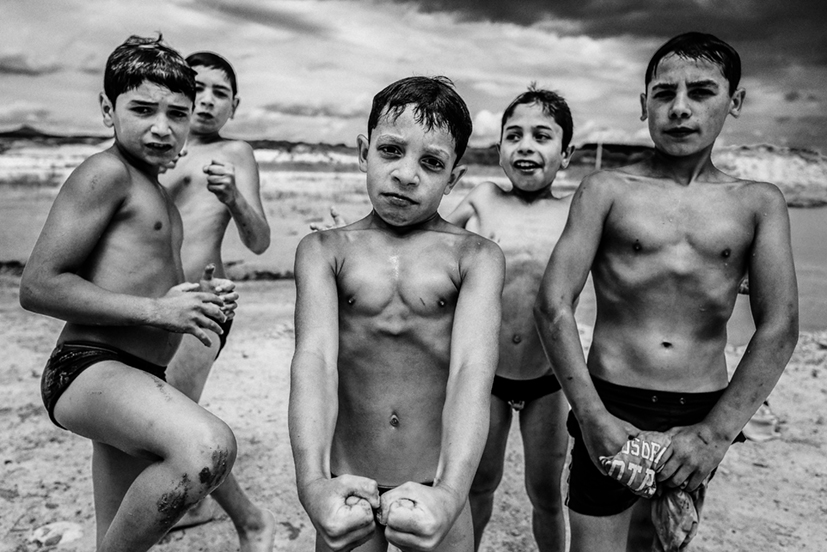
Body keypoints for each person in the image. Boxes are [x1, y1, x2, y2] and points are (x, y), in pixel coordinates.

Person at [533, 31, 799, 552]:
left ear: (735, 101)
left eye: (701, 92)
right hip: (610, 398)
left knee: (656, 543)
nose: (679, 108)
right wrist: (590, 415)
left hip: (700, 409)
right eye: (663, 93)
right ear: (643, 104)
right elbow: (553, 305)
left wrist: (715, 434)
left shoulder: (758, 203)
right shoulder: (606, 190)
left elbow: (780, 326)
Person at [18, 35, 241, 551]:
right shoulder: (107, 173)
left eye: (177, 114)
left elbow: (144, 284)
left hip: (140, 375)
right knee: (207, 448)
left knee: (115, 536)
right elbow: (38, 285)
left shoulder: (159, 195)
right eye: (142, 109)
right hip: (89, 366)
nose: (162, 127)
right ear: (107, 109)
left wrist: (200, 298)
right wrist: (159, 310)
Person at [288, 76, 505, 552]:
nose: (407, 175)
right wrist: (312, 484)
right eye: (391, 151)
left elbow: (471, 372)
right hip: (349, 482)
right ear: (363, 152)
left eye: (431, 162)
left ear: (454, 178)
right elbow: (315, 363)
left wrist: (451, 494)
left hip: (434, 481)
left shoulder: (475, 256)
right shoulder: (324, 250)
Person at [444, 85, 575, 552]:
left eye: (542, 136)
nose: (525, 146)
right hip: (488, 378)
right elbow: (427, 241)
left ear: (566, 154)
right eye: (514, 135)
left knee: (546, 494)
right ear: (499, 149)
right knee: (479, 485)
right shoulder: (483, 198)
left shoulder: (575, 212)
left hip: (549, 379)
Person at [160, 51, 275, 550]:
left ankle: (251, 520)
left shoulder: (236, 153)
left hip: (204, 302)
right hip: (148, 306)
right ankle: (196, 504)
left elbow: (260, 242)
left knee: (177, 420)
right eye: (197, 88)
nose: (207, 101)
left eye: (220, 93)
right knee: (151, 416)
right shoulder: (157, 143)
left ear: (235, 105)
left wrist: (234, 198)